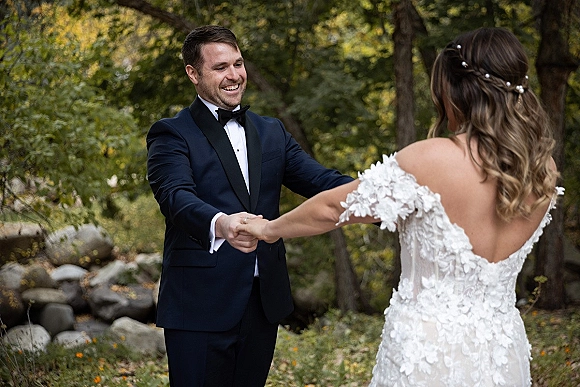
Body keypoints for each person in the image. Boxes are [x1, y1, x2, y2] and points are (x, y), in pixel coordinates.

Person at [238, 27, 563, 386]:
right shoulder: (541, 170)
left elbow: (334, 209)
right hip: (502, 350)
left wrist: (267, 229)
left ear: (455, 89)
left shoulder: (433, 158)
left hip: (426, 350)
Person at [146, 25, 353, 387]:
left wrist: (389, 193)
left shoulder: (271, 131)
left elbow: (322, 182)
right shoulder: (171, 133)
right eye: (220, 67)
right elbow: (175, 198)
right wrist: (222, 224)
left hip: (262, 301)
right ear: (193, 74)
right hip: (199, 302)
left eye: (238, 64)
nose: (234, 75)